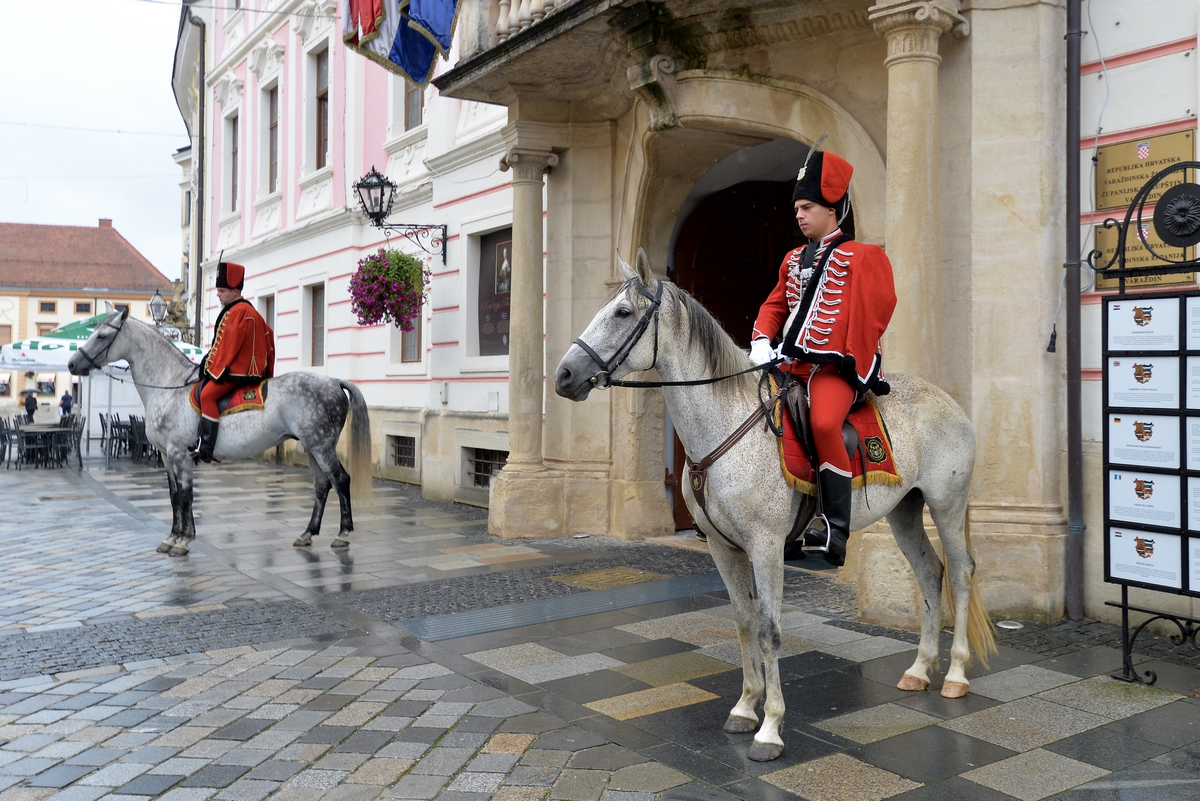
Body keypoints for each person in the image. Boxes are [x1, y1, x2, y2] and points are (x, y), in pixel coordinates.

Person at [749, 145, 896, 566]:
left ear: (832, 209)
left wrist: (845, 349)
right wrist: (762, 339)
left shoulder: (864, 256)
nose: (799, 214)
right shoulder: (792, 259)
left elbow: (879, 307)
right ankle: (784, 521)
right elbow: (775, 305)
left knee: (824, 422)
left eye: (808, 206)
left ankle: (834, 529)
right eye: (797, 207)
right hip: (790, 365)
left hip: (835, 368)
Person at [192, 260, 275, 463]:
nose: (218, 294)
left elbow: (225, 348)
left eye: (222, 290)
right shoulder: (249, 310)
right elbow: (269, 336)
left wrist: (208, 367)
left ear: (235, 290)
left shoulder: (237, 312)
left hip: (238, 373)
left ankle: (206, 448)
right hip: (251, 371)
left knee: (207, 394)